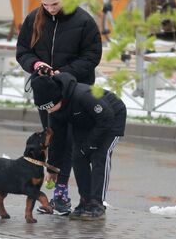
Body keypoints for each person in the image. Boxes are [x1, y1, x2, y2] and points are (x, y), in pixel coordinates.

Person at [16, 0, 102, 215]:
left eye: (54, 4)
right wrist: (36, 65)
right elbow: (22, 51)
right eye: (45, 4)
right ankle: (59, 194)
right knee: (53, 140)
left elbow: (92, 56)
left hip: (76, 92)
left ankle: (67, 192)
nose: (50, 9)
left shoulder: (84, 21)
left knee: (73, 143)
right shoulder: (34, 18)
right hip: (46, 93)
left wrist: (63, 73)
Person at [30, 72, 126, 220]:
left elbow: (105, 119)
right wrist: (52, 168)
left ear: (58, 97)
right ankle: (85, 200)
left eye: (51, 107)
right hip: (85, 122)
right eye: (46, 109)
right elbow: (57, 139)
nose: (49, 111)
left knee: (99, 156)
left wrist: (90, 146)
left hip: (111, 118)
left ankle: (97, 203)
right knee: (78, 157)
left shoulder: (83, 95)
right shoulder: (54, 110)